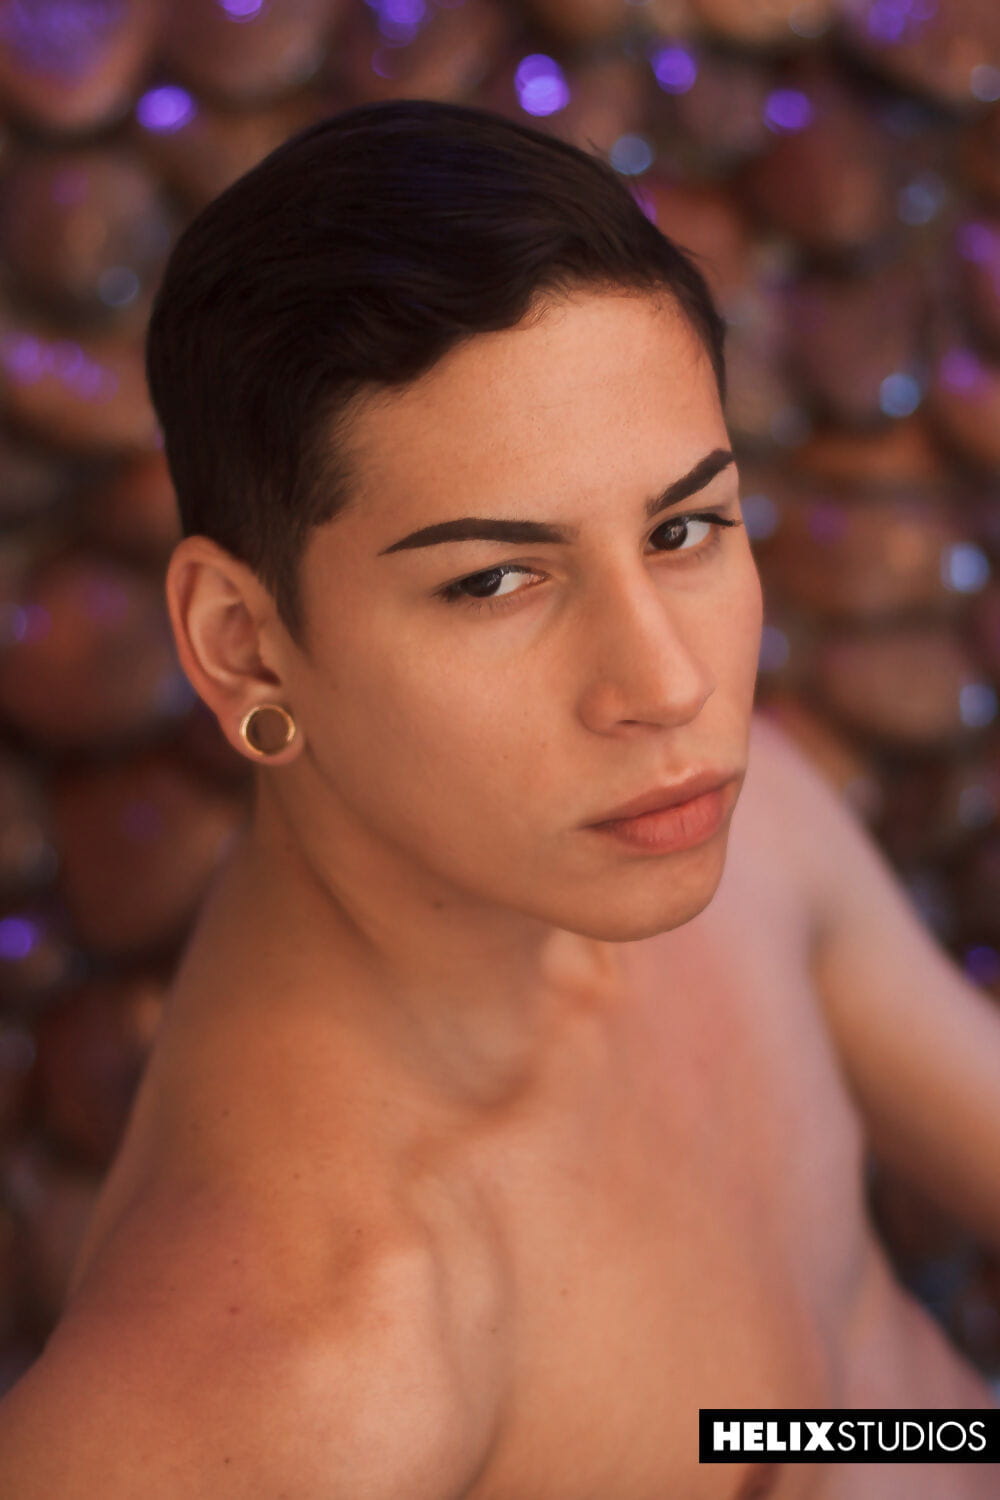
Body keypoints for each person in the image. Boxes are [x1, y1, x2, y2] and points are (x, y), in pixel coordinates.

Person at [0, 98, 998, 1500]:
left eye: (684, 528)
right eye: (494, 580)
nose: (666, 683)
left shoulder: (725, 818)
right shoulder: (294, 1372)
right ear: (243, 646)